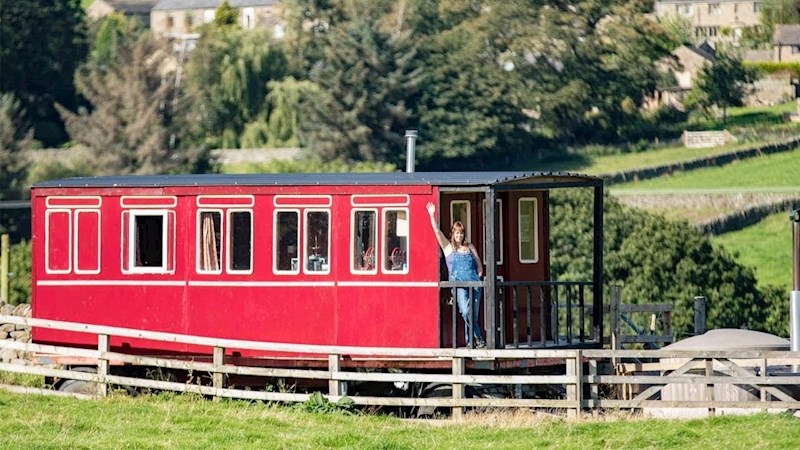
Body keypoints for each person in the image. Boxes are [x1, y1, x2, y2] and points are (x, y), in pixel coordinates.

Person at [426, 202, 486, 348]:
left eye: (461, 233)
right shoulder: (448, 248)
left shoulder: (470, 247)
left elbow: (479, 264)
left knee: (474, 314)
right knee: (465, 312)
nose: (459, 235)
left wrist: (478, 275)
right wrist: (431, 215)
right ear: (453, 234)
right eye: (457, 233)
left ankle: (471, 342)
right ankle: (479, 337)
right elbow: (436, 232)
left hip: (474, 283)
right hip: (459, 285)